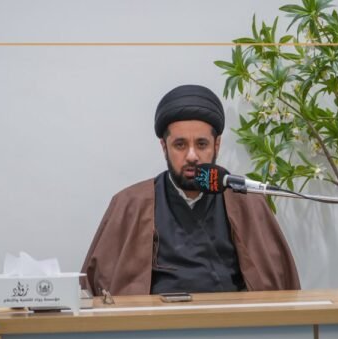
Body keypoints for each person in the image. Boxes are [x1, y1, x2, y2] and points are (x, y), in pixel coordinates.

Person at [82, 84, 300, 296]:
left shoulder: (247, 202)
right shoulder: (130, 204)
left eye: (202, 144)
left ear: (216, 145)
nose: (192, 156)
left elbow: (283, 288)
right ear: (164, 147)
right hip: (154, 319)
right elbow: (91, 290)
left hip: (230, 317)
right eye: (180, 145)